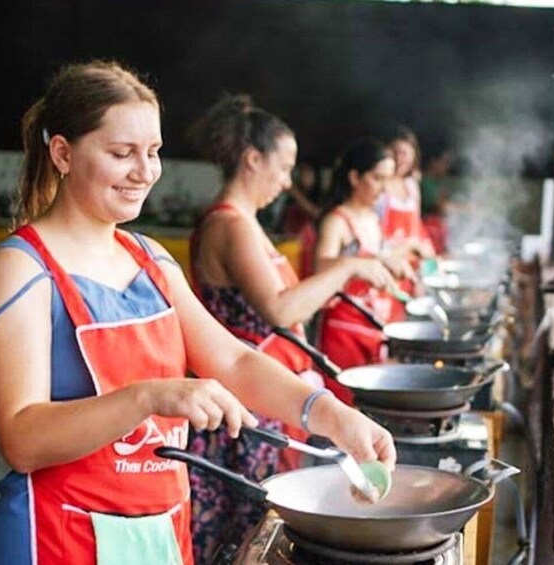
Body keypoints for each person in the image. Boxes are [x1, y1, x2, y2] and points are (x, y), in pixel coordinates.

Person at [0, 61, 396, 565]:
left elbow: (233, 362)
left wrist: (332, 415)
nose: (145, 171)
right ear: (62, 152)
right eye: (121, 153)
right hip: (56, 537)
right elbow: (21, 439)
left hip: (159, 530)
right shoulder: (20, 269)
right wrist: (151, 396)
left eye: (152, 152)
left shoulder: (150, 260)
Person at [185, 94, 400, 562]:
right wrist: (347, 269)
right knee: (240, 533)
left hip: (254, 399)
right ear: (252, 159)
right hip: (243, 407)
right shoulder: (231, 225)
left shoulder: (246, 223)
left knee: (249, 529)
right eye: (283, 167)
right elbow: (279, 310)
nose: (287, 182)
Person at [314, 137, 415, 400]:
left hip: (373, 324)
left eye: (388, 179)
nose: (384, 188)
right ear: (355, 177)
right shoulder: (337, 221)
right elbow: (320, 268)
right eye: (377, 178)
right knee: (345, 403)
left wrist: (392, 259)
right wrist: (363, 262)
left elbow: (376, 254)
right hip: (344, 330)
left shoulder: (372, 216)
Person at [378, 126, 436, 320]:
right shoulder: (378, 187)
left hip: (408, 270)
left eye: (405, 153)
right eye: (395, 152)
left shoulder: (411, 187)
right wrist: (408, 246)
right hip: (384, 266)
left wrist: (427, 252)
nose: (400, 158)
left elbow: (416, 227)